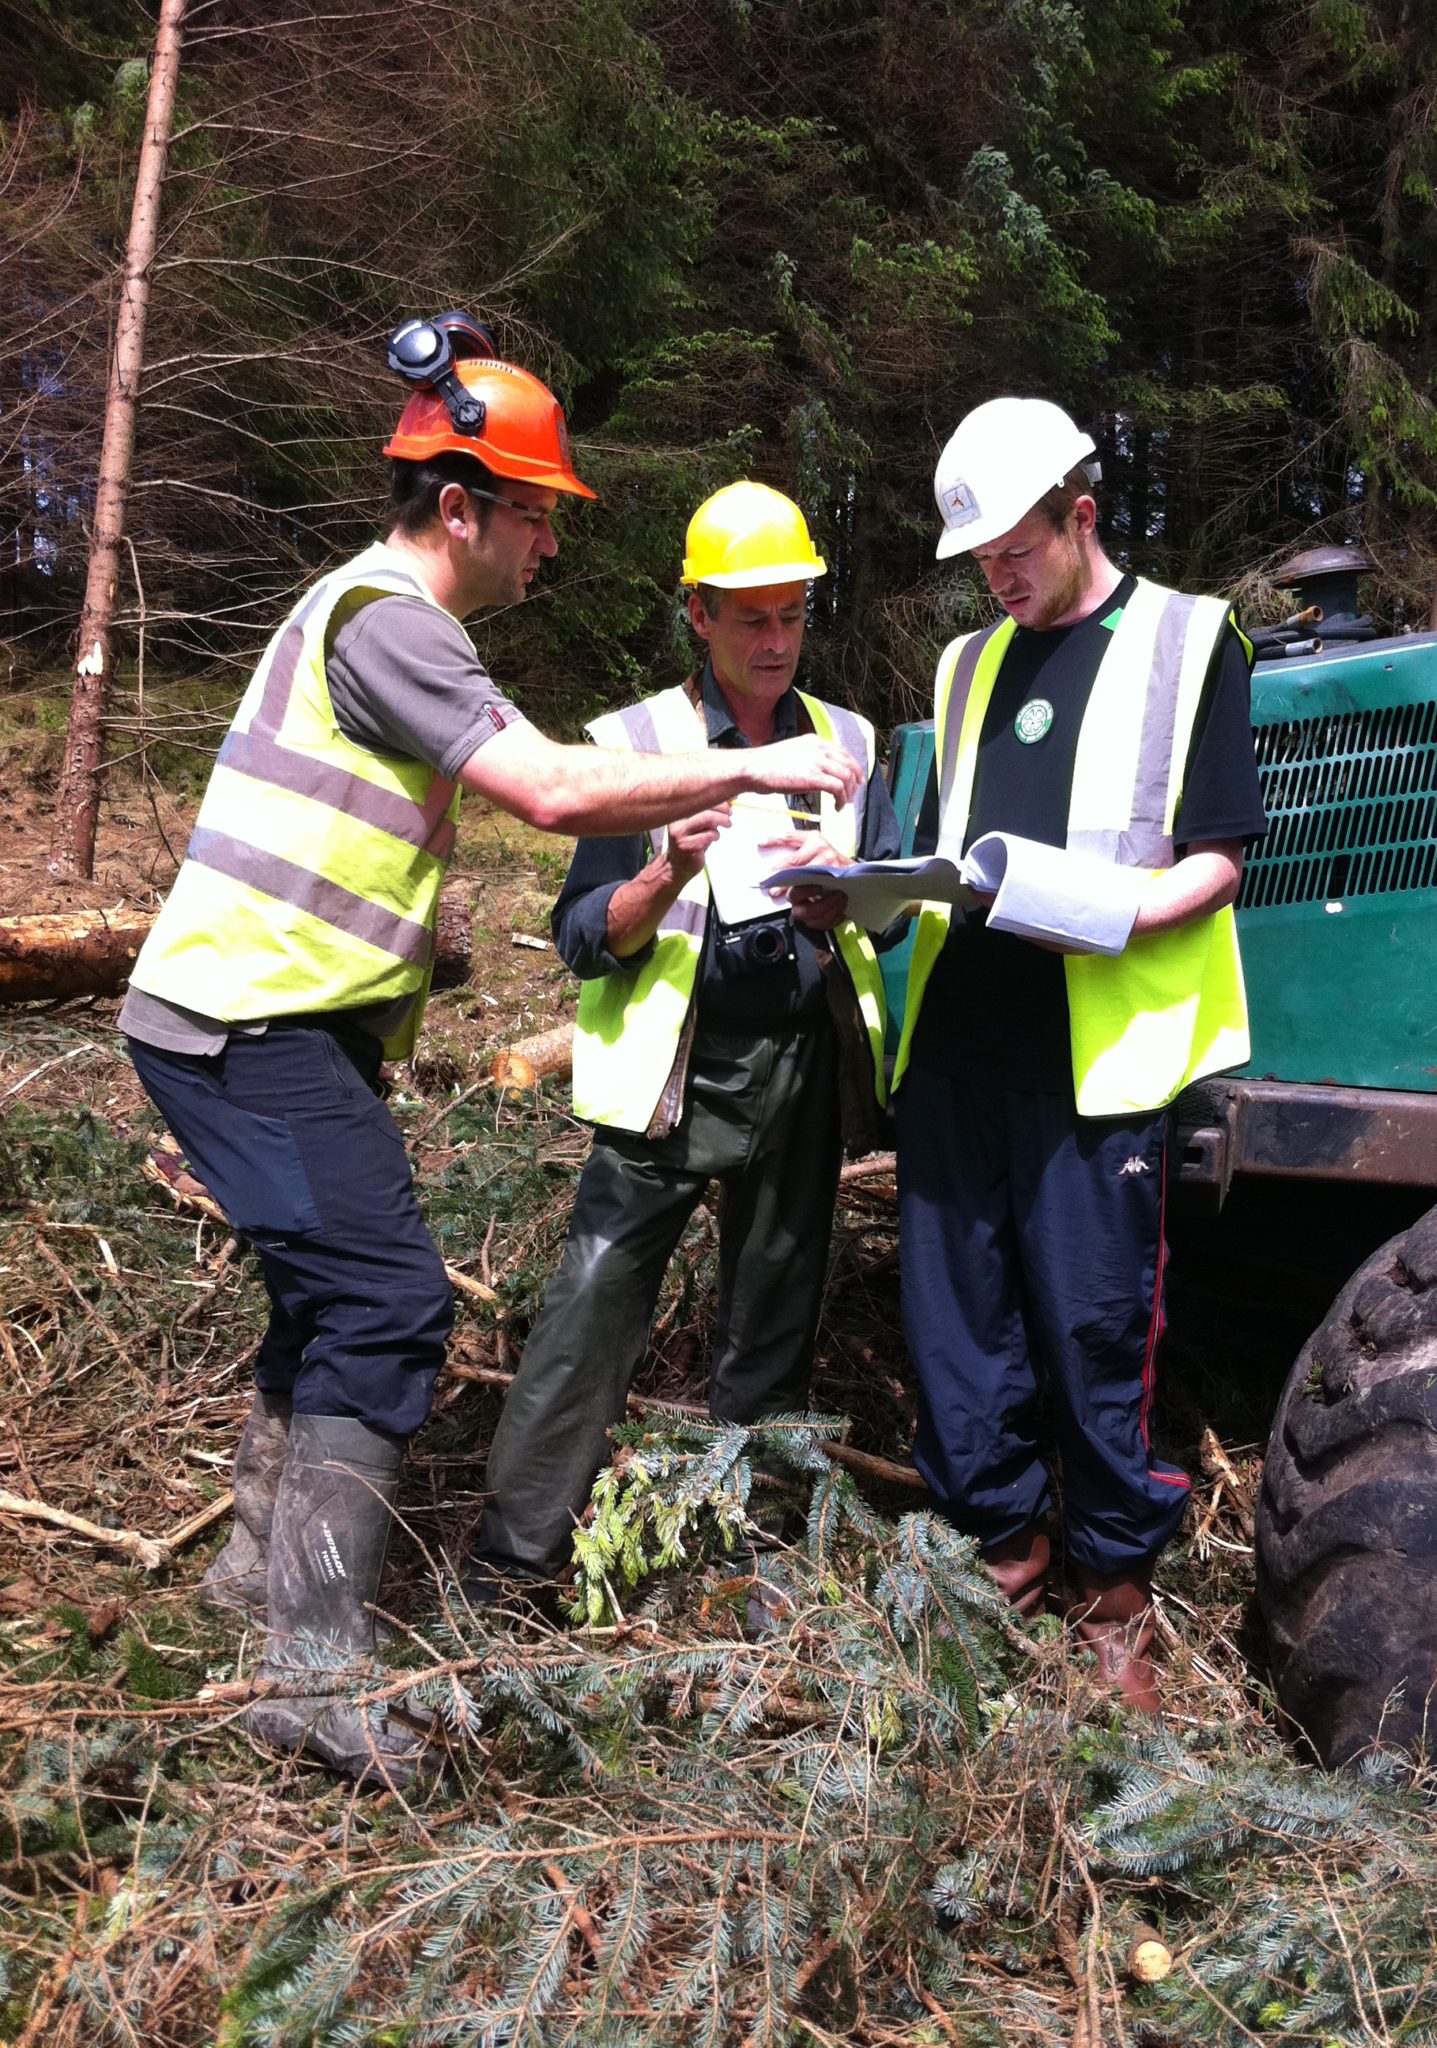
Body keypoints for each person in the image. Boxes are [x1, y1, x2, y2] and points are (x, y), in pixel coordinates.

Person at [120, 322, 863, 1789]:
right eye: (535, 517)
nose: (546, 549)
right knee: (390, 1307)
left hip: (265, 1021)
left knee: (323, 1294)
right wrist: (748, 764)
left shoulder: (372, 611)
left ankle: (250, 1592)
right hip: (238, 1020)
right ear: (459, 507)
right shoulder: (394, 618)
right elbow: (542, 789)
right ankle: (314, 1676)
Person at [894, 398, 1267, 1713]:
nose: (997, 576)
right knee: (958, 1324)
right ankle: (1001, 1556)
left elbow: (1217, 858)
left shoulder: (1185, 638)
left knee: (1096, 1326)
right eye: (980, 560)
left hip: (1096, 1059)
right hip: (958, 1047)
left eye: (1015, 549)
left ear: (1080, 514)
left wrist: (1102, 915)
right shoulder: (962, 667)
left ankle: (1113, 1595)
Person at [465, 480, 897, 1602]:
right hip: (671, 1076)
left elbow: (893, 907)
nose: (773, 640)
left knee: (775, 1323)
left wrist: (850, 904)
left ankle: (749, 1558)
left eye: (792, 614)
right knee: (591, 1310)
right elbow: (580, 936)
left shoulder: (847, 742)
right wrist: (666, 870)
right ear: (697, 614)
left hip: (801, 1067)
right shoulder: (635, 745)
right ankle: (514, 1562)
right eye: (749, 616)